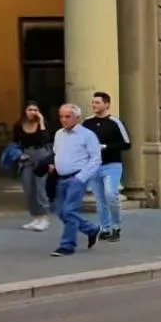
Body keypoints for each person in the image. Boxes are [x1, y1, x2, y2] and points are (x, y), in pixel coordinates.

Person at [50, 103, 102, 256]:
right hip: (61, 177)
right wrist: (54, 165)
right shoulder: (59, 134)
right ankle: (91, 229)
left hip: (77, 177)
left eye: (68, 116)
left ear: (77, 118)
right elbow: (57, 152)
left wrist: (81, 177)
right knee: (61, 211)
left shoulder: (87, 135)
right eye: (61, 116)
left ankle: (67, 245)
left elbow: (95, 159)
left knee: (69, 210)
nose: (63, 120)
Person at [83, 90, 131, 242]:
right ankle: (105, 228)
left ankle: (116, 227)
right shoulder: (87, 122)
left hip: (112, 165)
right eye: (93, 102)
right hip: (94, 166)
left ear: (107, 104)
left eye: (97, 102)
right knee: (99, 199)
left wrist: (106, 147)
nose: (94, 105)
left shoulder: (115, 122)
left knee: (111, 195)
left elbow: (126, 143)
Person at [15, 102, 53, 232]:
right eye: (30, 109)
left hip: (41, 155)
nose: (33, 112)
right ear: (25, 111)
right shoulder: (18, 125)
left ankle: (44, 218)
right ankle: (35, 217)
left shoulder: (43, 124)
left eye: (35, 110)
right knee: (28, 188)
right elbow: (15, 143)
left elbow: (46, 140)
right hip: (26, 156)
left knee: (40, 188)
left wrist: (41, 122)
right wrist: (19, 155)